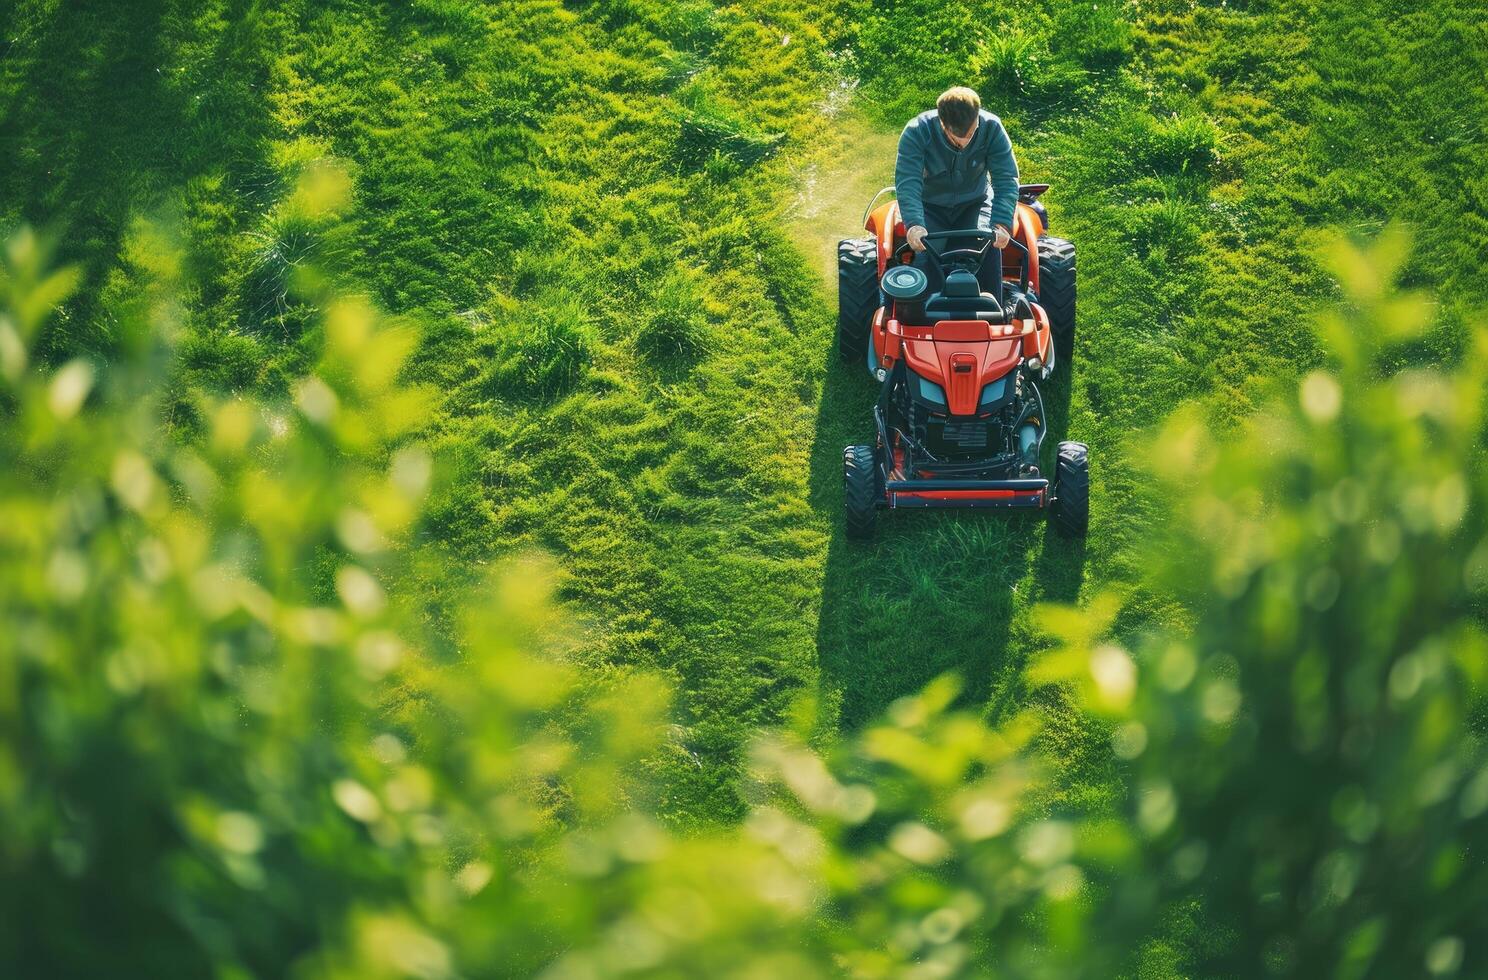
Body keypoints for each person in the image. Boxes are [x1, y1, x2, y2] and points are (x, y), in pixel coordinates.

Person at [895, 87, 1020, 298]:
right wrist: (915, 224)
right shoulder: (916, 131)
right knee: (926, 255)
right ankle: (927, 314)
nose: (965, 142)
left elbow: (1006, 178)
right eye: (956, 138)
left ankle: (993, 312)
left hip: (976, 202)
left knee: (987, 245)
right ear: (942, 123)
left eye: (971, 134)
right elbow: (908, 182)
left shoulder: (992, 128)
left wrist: (1001, 223)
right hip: (930, 206)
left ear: (977, 116)